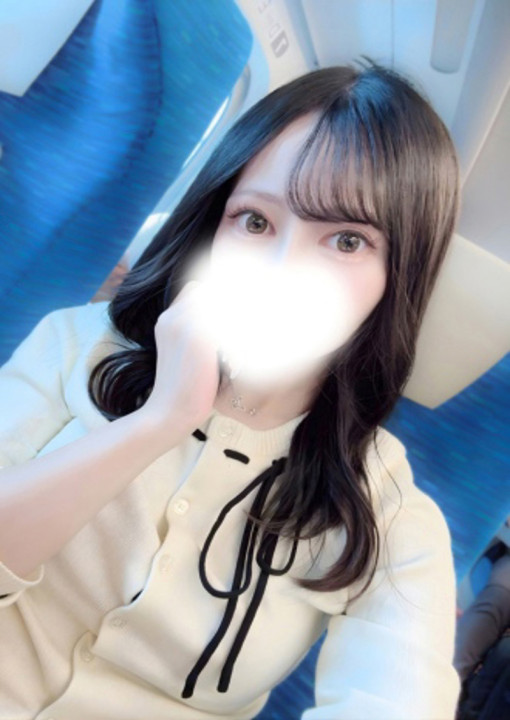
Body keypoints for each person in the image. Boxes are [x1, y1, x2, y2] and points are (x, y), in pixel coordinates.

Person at [0, 58, 461, 719]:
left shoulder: (388, 512)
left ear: (399, 275)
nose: (282, 269)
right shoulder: (77, 345)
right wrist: (158, 422)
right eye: (256, 222)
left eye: (346, 240)